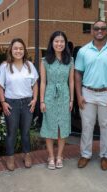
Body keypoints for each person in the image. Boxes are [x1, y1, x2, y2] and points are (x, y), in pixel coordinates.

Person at [75, 20, 107, 170]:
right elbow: (77, 74)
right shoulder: (83, 51)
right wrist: (78, 95)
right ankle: (85, 154)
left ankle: (105, 156)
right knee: (87, 126)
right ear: (92, 31)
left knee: (106, 126)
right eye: (96, 28)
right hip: (87, 93)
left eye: (103, 28)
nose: (99, 31)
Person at [0, 38, 39, 171]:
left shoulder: (29, 66)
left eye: (21, 48)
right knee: (12, 132)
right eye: (15, 48)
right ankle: (10, 157)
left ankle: (27, 155)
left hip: (27, 103)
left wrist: (35, 99)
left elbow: (35, 83)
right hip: (11, 104)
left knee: (25, 132)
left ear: (24, 50)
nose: (18, 51)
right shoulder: (5, 66)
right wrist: (3, 102)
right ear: (11, 50)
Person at [40, 31, 74, 170]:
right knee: (49, 126)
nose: (59, 44)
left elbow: (71, 81)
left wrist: (72, 100)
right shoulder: (44, 60)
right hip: (49, 96)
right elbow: (43, 82)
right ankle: (51, 156)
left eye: (62, 41)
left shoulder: (70, 60)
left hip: (65, 96)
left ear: (65, 44)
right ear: (52, 43)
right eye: (56, 41)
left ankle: (59, 156)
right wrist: (42, 101)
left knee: (62, 128)